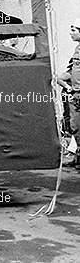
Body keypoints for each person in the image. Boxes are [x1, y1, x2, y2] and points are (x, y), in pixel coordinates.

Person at [58, 19, 80, 169]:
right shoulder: (77, 49)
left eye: (74, 30)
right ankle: (78, 157)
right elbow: (73, 71)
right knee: (75, 126)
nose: (70, 33)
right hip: (76, 94)